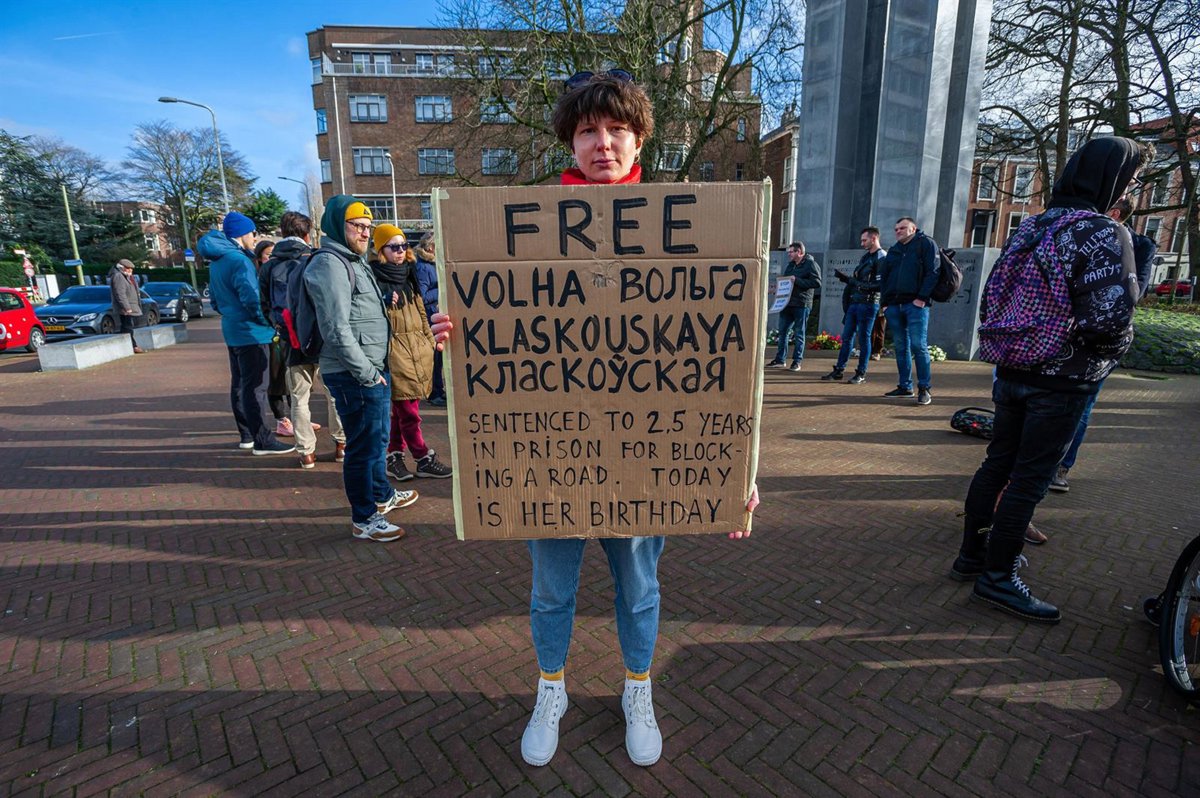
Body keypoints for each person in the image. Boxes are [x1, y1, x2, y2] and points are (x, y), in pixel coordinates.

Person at [425, 69, 759, 770]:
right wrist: (461, 333)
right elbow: (506, 331)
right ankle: (551, 690)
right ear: (570, 143)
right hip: (551, 459)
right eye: (587, 130)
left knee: (639, 590)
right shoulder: (522, 231)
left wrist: (738, 472)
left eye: (617, 129)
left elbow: (726, 362)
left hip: (646, 457)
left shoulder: (693, 226)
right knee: (551, 592)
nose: (602, 143)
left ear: (639, 139)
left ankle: (638, 689)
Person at [951, 136, 1144, 624]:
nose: (1130, 189)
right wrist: (1107, 356)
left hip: (1012, 367)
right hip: (1062, 378)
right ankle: (998, 578)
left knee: (997, 464)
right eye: (1129, 180)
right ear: (1111, 180)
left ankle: (972, 556)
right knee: (1030, 479)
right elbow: (1109, 318)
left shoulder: (1033, 226)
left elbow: (995, 294)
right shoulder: (1101, 232)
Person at [305, 197, 416, 541]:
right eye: (358, 226)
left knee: (377, 439)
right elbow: (335, 328)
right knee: (361, 447)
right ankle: (364, 518)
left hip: (372, 368)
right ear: (339, 225)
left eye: (369, 227)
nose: (366, 233)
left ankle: (381, 495)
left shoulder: (354, 260)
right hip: (355, 374)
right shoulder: (330, 264)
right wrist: (367, 373)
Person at [1049, 195, 1157, 494]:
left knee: (1082, 406)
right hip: (1058, 334)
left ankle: (1061, 466)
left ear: (1115, 214)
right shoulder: (1072, 232)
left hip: (1096, 341)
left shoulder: (1140, 245)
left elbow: (1133, 293)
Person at [199, 212, 294, 456]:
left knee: (240, 385)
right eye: (253, 233)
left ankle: (247, 435)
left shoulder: (218, 261)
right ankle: (263, 441)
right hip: (254, 334)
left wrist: (231, 315)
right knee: (257, 387)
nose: (255, 237)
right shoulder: (240, 261)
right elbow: (252, 299)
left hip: (233, 331)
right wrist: (268, 321)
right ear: (243, 233)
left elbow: (215, 300)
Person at [259, 211, 346, 469]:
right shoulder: (316, 258)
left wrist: (279, 326)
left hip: (291, 338)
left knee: (299, 398)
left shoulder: (269, 266)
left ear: (283, 233)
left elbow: (263, 303)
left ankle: (306, 452)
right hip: (321, 337)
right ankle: (341, 445)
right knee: (334, 394)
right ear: (307, 235)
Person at [369, 223, 453, 482]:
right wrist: (384, 302)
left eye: (403, 245)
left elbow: (420, 312)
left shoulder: (409, 274)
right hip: (395, 353)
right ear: (381, 250)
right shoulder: (373, 279)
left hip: (418, 350)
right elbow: (370, 318)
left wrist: (429, 342)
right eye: (394, 247)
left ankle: (393, 456)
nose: (400, 251)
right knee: (409, 412)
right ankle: (422, 456)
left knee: (401, 410)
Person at [823, 227, 886, 383]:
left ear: (874, 238)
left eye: (864, 240)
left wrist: (854, 282)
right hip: (855, 302)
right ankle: (839, 369)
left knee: (864, 338)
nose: (862, 243)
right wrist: (849, 281)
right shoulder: (866, 257)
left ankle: (861, 373)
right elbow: (859, 280)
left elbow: (880, 285)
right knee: (847, 337)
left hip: (869, 303)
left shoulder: (881, 257)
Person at [255, 239, 293, 439]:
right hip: (271, 332)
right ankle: (282, 419)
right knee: (276, 378)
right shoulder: (262, 275)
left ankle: (298, 417)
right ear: (260, 258)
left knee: (292, 374)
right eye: (268, 255)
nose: (272, 258)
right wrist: (272, 322)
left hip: (284, 331)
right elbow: (262, 303)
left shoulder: (281, 271)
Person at [766, 242, 821, 371]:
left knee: (799, 333)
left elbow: (817, 283)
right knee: (783, 332)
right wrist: (776, 289)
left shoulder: (810, 264)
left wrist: (797, 280)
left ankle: (797, 361)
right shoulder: (791, 265)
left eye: (791, 252)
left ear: (799, 252)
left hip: (802, 304)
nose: (789, 254)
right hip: (787, 303)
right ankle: (780, 359)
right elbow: (786, 282)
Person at [413, 231, 446, 406]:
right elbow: (421, 296)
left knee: (439, 358)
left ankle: (438, 390)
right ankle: (434, 393)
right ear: (431, 247)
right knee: (434, 358)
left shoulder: (430, 265)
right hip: (429, 317)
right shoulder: (423, 268)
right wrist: (442, 289)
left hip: (434, 315)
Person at [108, 259, 145, 354]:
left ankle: (132, 346)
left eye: (131, 269)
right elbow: (120, 293)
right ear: (121, 268)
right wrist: (126, 307)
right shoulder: (118, 276)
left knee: (128, 327)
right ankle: (133, 346)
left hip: (130, 307)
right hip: (125, 309)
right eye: (128, 268)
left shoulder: (126, 276)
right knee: (127, 327)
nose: (130, 270)